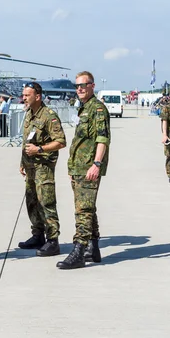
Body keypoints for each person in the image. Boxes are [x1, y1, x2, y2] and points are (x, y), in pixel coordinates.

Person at [57, 71, 110, 270]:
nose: (79, 88)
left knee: (83, 211)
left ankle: (79, 250)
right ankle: (93, 249)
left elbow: (102, 139)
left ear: (92, 86)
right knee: (88, 209)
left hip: (89, 167)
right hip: (79, 167)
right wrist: (73, 166)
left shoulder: (97, 109)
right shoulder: (84, 108)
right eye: (77, 85)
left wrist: (96, 164)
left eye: (83, 85)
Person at [18, 82, 66, 256]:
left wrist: (40, 150)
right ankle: (37, 235)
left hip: (43, 167)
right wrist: (23, 161)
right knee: (32, 202)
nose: (23, 98)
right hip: (30, 167)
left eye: (26, 95)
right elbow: (26, 140)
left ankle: (53, 241)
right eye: (23, 95)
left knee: (46, 203)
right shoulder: (29, 114)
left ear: (37, 96)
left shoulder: (49, 116)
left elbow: (60, 141)